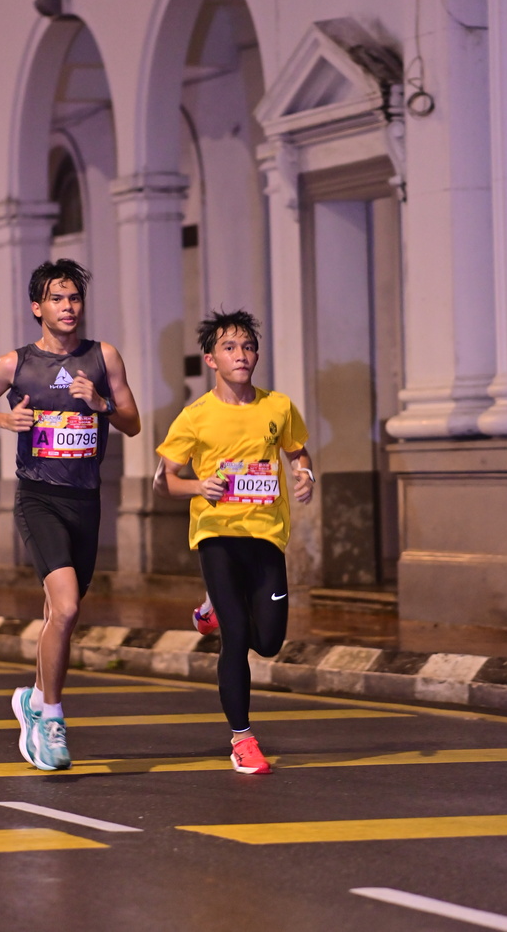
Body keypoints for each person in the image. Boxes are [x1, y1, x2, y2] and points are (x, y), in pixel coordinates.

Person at [0, 259, 140, 770]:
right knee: (65, 608)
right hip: (38, 496)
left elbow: (131, 423)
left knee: (58, 615)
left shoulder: (103, 356)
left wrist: (101, 403)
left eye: (74, 298)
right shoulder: (14, 363)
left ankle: (34, 700)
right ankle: (51, 716)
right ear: (37, 307)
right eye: (57, 299)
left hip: (86, 500)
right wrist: (6, 420)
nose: (68, 307)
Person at [154, 310, 314, 774]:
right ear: (211, 359)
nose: (240, 355)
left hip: (266, 535)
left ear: (256, 355)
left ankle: (211, 607)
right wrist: (197, 486)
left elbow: (297, 451)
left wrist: (305, 474)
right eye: (229, 347)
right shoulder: (195, 417)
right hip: (217, 534)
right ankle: (242, 739)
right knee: (237, 636)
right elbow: (163, 481)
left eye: (247, 347)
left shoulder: (278, 407)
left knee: (269, 642)